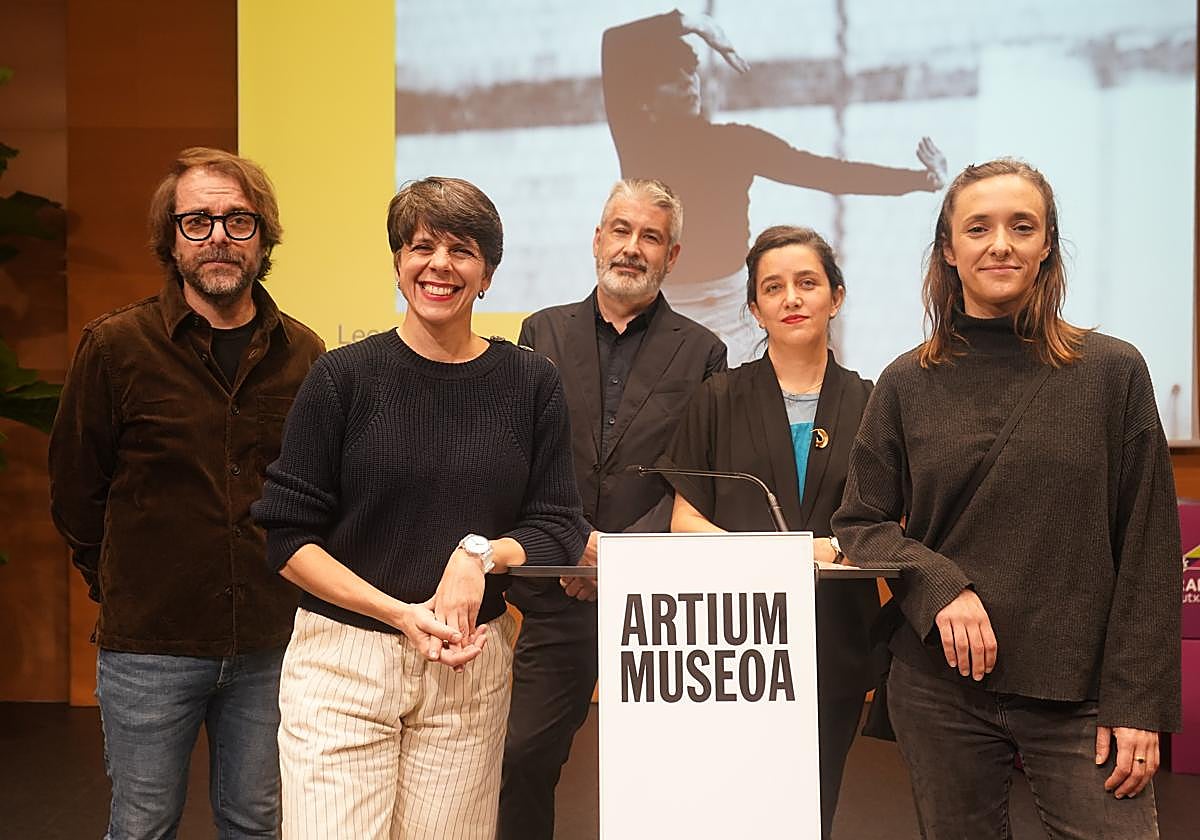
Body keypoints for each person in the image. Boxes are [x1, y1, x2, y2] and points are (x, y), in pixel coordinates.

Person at [832, 158, 1181, 838]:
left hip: (1079, 692)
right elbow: (860, 522)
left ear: (1047, 244)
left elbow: (1148, 549)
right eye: (979, 227)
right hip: (940, 691)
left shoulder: (1113, 372)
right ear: (948, 248)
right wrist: (938, 584)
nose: (1001, 244)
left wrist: (1138, 703)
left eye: (1022, 227)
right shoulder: (905, 381)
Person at [250, 176, 587, 839]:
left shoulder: (531, 382)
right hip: (342, 667)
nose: (440, 264)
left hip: (469, 670)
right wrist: (399, 614)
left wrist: (479, 553)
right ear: (398, 264)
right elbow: (287, 538)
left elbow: (557, 524)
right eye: (421, 246)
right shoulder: (341, 377)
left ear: (487, 271)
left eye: (462, 249)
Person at [47, 146, 325, 838]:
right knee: (142, 824)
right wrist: (117, 582)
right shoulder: (115, 347)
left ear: (264, 238)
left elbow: (318, 492)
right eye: (197, 222)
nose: (219, 238)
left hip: (270, 640)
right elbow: (76, 489)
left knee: (256, 822)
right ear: (170, 241)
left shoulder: (305, 354)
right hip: (150, 643)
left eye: (238, 221)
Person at [498, 178, 727, 839]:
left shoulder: (704, 350)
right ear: (597, 240)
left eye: (650, 237)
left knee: (658, 773)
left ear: (672, 256)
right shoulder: (541, 331)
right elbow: (526, 456)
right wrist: (576, 545)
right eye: (620, 231)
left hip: (657, 603)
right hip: (558, 594)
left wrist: (620, 559)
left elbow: (694, 475)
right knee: (523, 759)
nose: (632, 247)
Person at [660, 225, 878, 839]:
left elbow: (892, 524)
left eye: (808, 283)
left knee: (813, 807)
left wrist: (832, 549)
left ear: (836, 296)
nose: (792, 299)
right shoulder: (716, 398)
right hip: (734, 643)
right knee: (734, 808)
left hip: (835, 641)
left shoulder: (872, 402)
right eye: (773, 288)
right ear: (754, 308)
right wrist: (789, 556)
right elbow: (684, 522)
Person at [602, 9, 948, 364]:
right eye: (671, 79)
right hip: (668, 308)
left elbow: (824, 172)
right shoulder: (637, 141)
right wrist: (691, 23)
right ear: (646, 96)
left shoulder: (735, 143)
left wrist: (919, 180)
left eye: (691, 74)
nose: (688, 84)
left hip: (731, 310)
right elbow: (614, 43)